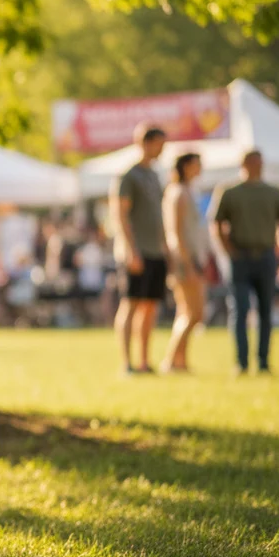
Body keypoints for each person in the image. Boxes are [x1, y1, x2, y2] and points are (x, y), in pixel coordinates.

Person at [209, 149, 279, 375]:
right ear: (244, 163)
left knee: (266, 310)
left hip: (266, 256)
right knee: (240, 309)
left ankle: (263, 361)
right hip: (241, 258)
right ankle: (242, 362)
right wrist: (228, 251)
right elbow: (216, 224)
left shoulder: (273, 192)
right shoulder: (229, 192)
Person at [109, 125, 168, 374]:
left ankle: (144, 362)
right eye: (159, 143)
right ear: (145, 143)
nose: (162, 149)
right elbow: (120, 215)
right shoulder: (128, 176)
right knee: (130, 305)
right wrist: (131, 250)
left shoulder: (154, 175)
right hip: (135, 251)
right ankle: (127, 363)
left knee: (150, 307)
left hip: (155, 251)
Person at [159, 153, 207, 373]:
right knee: (194, 313)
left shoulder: (186, 191)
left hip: (191, 258)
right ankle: (171, 360)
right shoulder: (177, 192)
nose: (201, 168)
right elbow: (175, 233)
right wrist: (187, 263)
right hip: (184, 261)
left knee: (187, 312)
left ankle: (180, 361)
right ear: (186, 166)